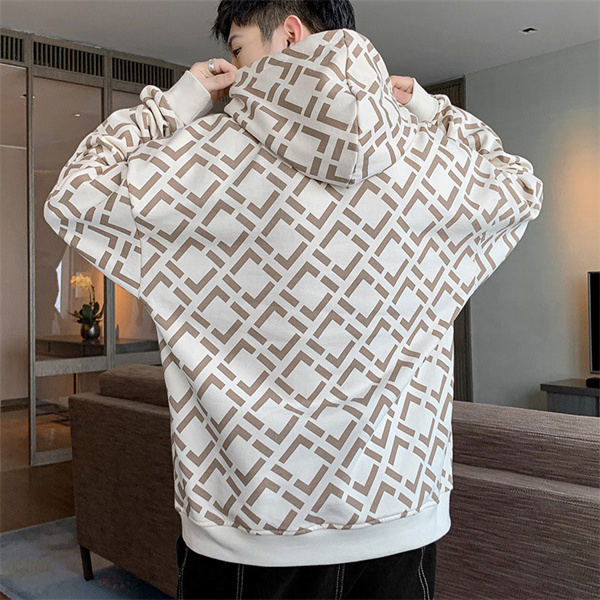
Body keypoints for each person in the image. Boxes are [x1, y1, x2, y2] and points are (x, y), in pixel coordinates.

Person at [43, 1, 544, 599]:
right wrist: (430, 109)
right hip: (400, 516)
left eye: (237, 49)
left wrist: (178, 102)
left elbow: (76, 192)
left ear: (290, 33)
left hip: (245, 528)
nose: (232, 70)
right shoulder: (425, 163)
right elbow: (518, 183)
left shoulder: (198, 163)